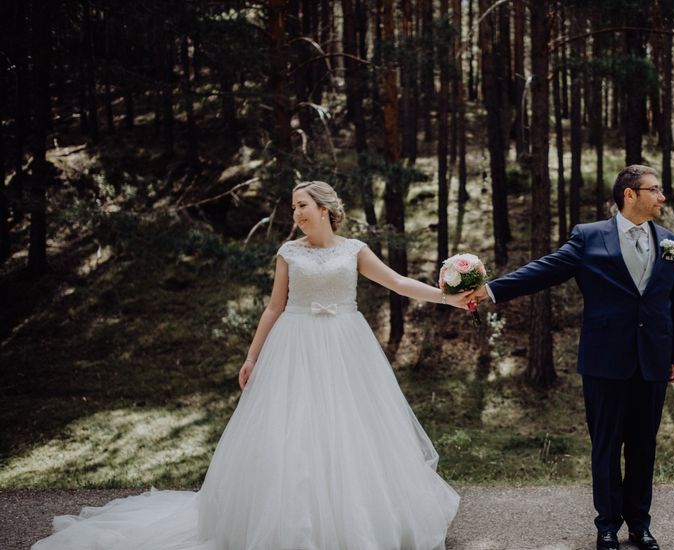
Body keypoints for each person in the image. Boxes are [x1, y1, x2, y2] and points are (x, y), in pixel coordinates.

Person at [33, 181, 472, 550]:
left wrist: (447, 296)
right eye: (293, 207)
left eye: (301, 205)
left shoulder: (354, 249)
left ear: (323, 208)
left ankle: (354, 519)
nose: (295, 212)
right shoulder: (289, 252)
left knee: (348, 428)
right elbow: (273, 308)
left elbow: (397, 282)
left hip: (345, 344)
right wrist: (251, 356)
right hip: (295, 344)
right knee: (292, 430)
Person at [471, 165, 674, 550]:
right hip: (605, 361)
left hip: (653, 360)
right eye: (655, 190)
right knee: (606, 444)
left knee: (644, 446)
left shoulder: (671, 242)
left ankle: (639, 524)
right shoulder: (590, 238)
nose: (662, 197)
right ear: (630, 195)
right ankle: (607, 525)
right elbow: (545, 270)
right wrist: (491, 292)